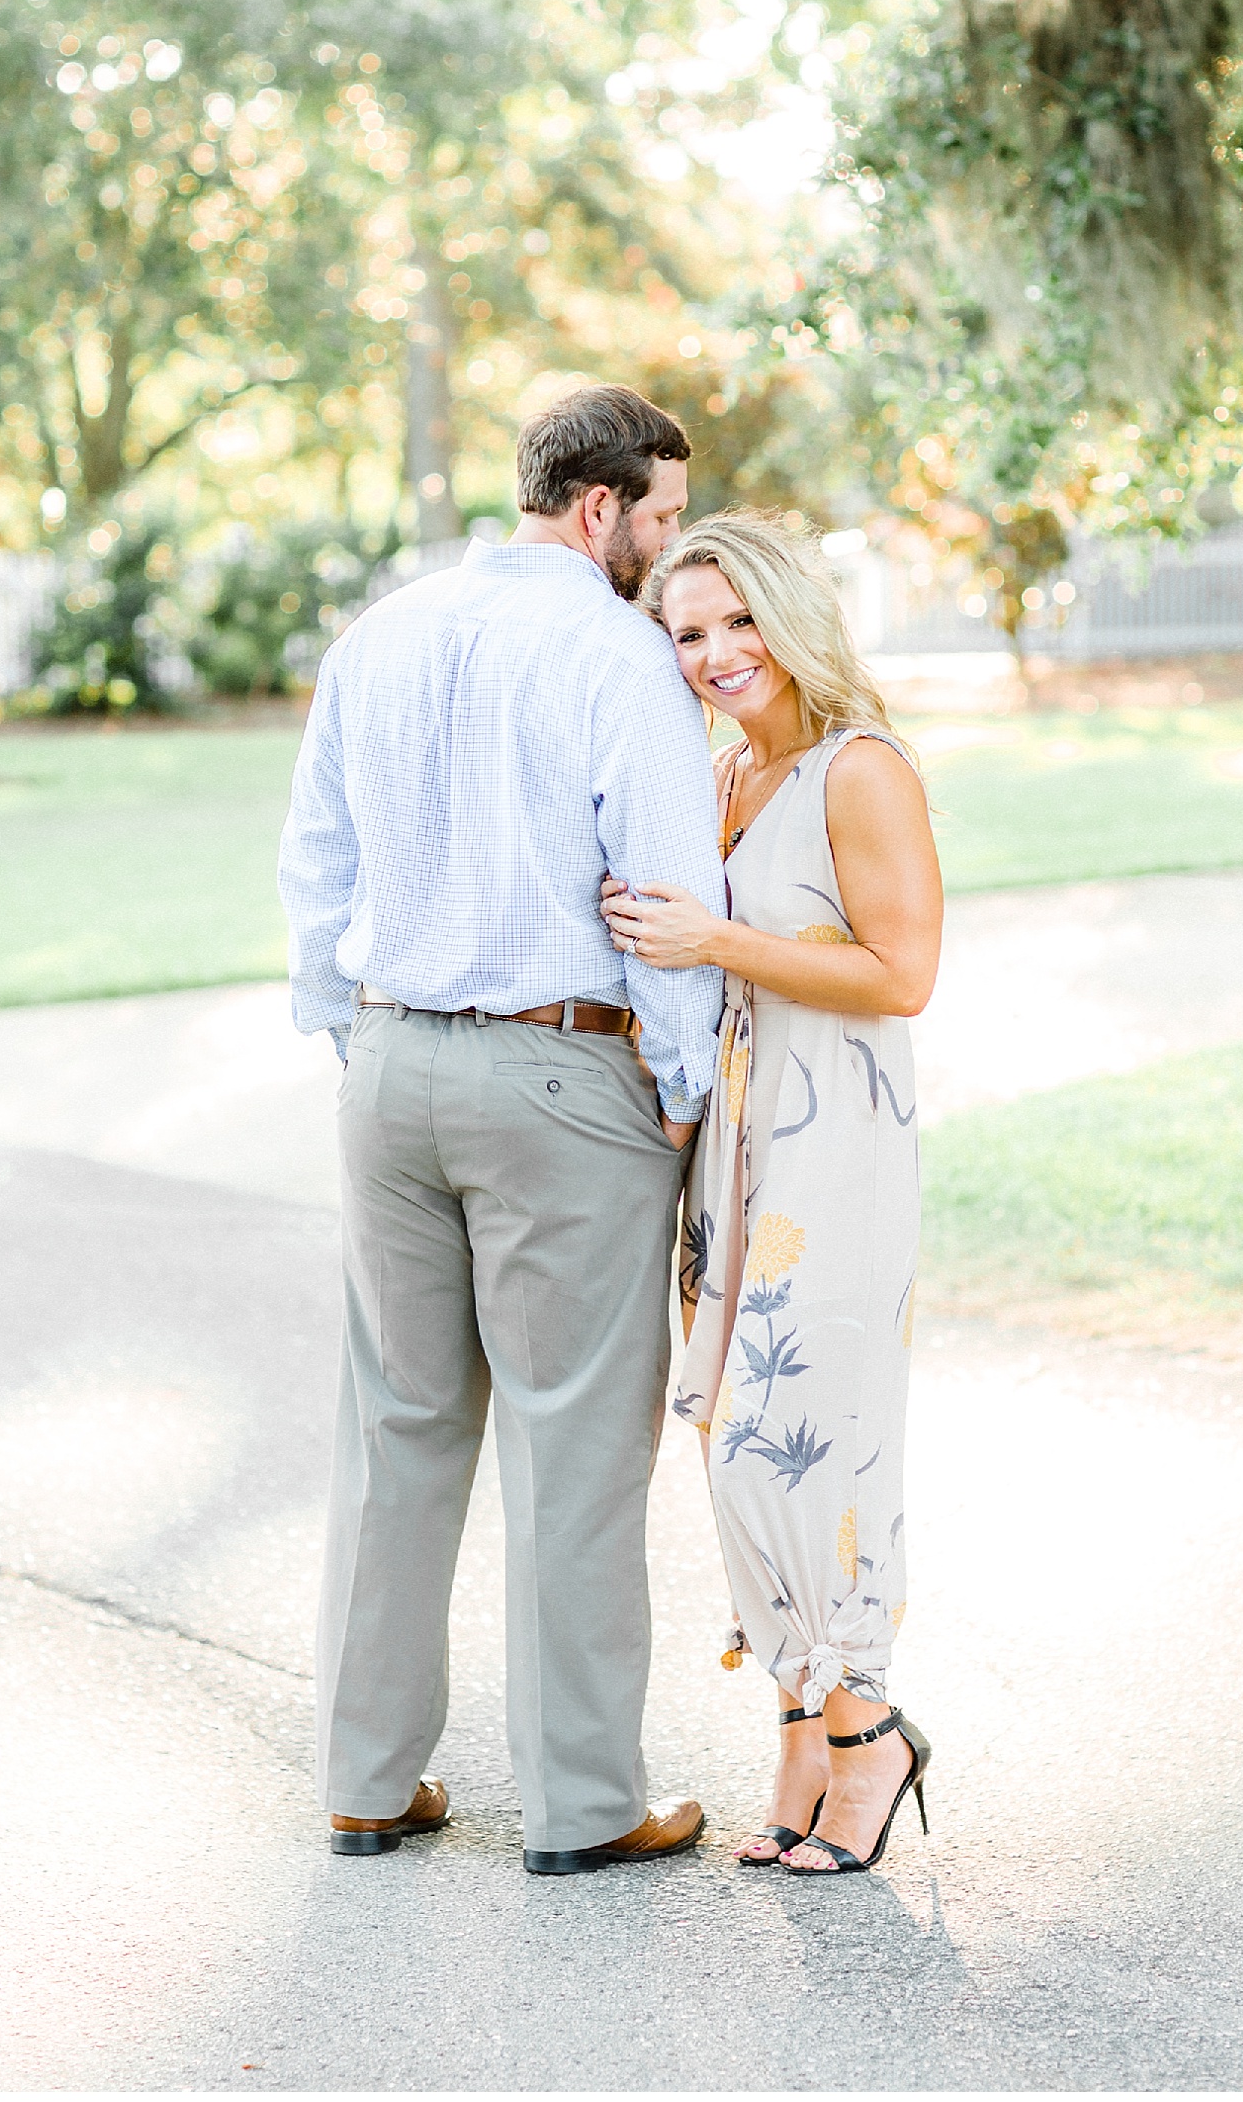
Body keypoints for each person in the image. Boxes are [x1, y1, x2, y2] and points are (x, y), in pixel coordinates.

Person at [278, 385, 728, 1875]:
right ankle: (589, 1806)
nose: (669, 556)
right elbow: (669, 901)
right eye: (660, 520)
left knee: (394, 1432)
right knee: (577, 1448)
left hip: (390, 1069)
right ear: (597, 507)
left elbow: (315, 864)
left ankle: (364, 1778)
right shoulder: (619, 659)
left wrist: (355, 1032)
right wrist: (680, 1089)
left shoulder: (381, 636)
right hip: (562, 1074)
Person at [603, 511, 944, 1877]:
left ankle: (868, 1728)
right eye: (689, 633)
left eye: (738, 620)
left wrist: (717, 936)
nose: (717, 652)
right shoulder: (727, 773)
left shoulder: (858, 769)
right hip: (733, 1151)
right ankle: (802, 1725)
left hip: (836, 1148)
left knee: (806, 1435)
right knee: (724, 1438)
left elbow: (901, 972)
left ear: (791, 613)